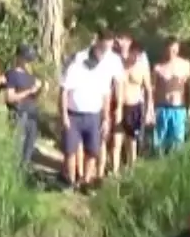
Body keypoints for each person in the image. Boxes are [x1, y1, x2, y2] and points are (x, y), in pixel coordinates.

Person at [61, 30, 123, 189]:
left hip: (94, 115)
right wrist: (64, 116)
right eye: (101, 50)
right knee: (70, 150)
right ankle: (71, 180)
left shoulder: (103, 70)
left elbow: (106, 95)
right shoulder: (77, 64)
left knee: (93, 150)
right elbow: (64, 91)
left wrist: (106, 118)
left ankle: (86, 181)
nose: (102, 56)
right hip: (74, 114)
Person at [110, 33, 152, 174]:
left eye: (139, 55)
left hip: (134, 107)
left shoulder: (142, 68)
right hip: (119, 106)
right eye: (135, 53)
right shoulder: (119, 66)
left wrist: (149, 108)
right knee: (116, 141)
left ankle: (131, 170)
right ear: (130, 51)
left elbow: (148, 89)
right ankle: (114, 173)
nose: (137, 57)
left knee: (131, 142)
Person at [2, 44, 44, 170]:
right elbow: (9, 97)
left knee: (29, 145)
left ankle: (23, 172)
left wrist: (41, 90)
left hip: (32, 113)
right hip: (19, 112)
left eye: (30, 59)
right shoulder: (12, 74)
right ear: (19, 58)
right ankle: (13, 172)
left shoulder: (31, 76)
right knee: (17, 146)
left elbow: (35, 97)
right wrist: (29, 91)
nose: (29, 62)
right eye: (27, 59)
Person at [150, 37, 190, 154]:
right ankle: (158, 163)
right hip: (162, 108)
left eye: (175, 50)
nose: (172, 53)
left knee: (178, 140)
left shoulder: (185, 65)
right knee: (159, 140)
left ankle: (175, 164)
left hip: (179, 108)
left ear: (178, 49)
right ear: (165, 50)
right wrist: (151, 109)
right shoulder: (158, 67)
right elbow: (152, 89)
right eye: (170, 50)